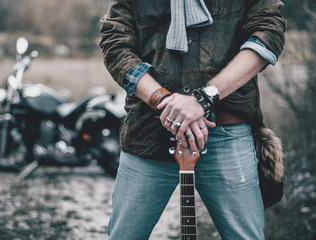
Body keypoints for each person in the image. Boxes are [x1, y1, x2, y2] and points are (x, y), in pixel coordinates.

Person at [99, 0, 286, 239]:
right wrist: (164, 102)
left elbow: (268, 32)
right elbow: (115, 42)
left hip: (225, 129)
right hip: (149, 128)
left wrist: (204, 98)